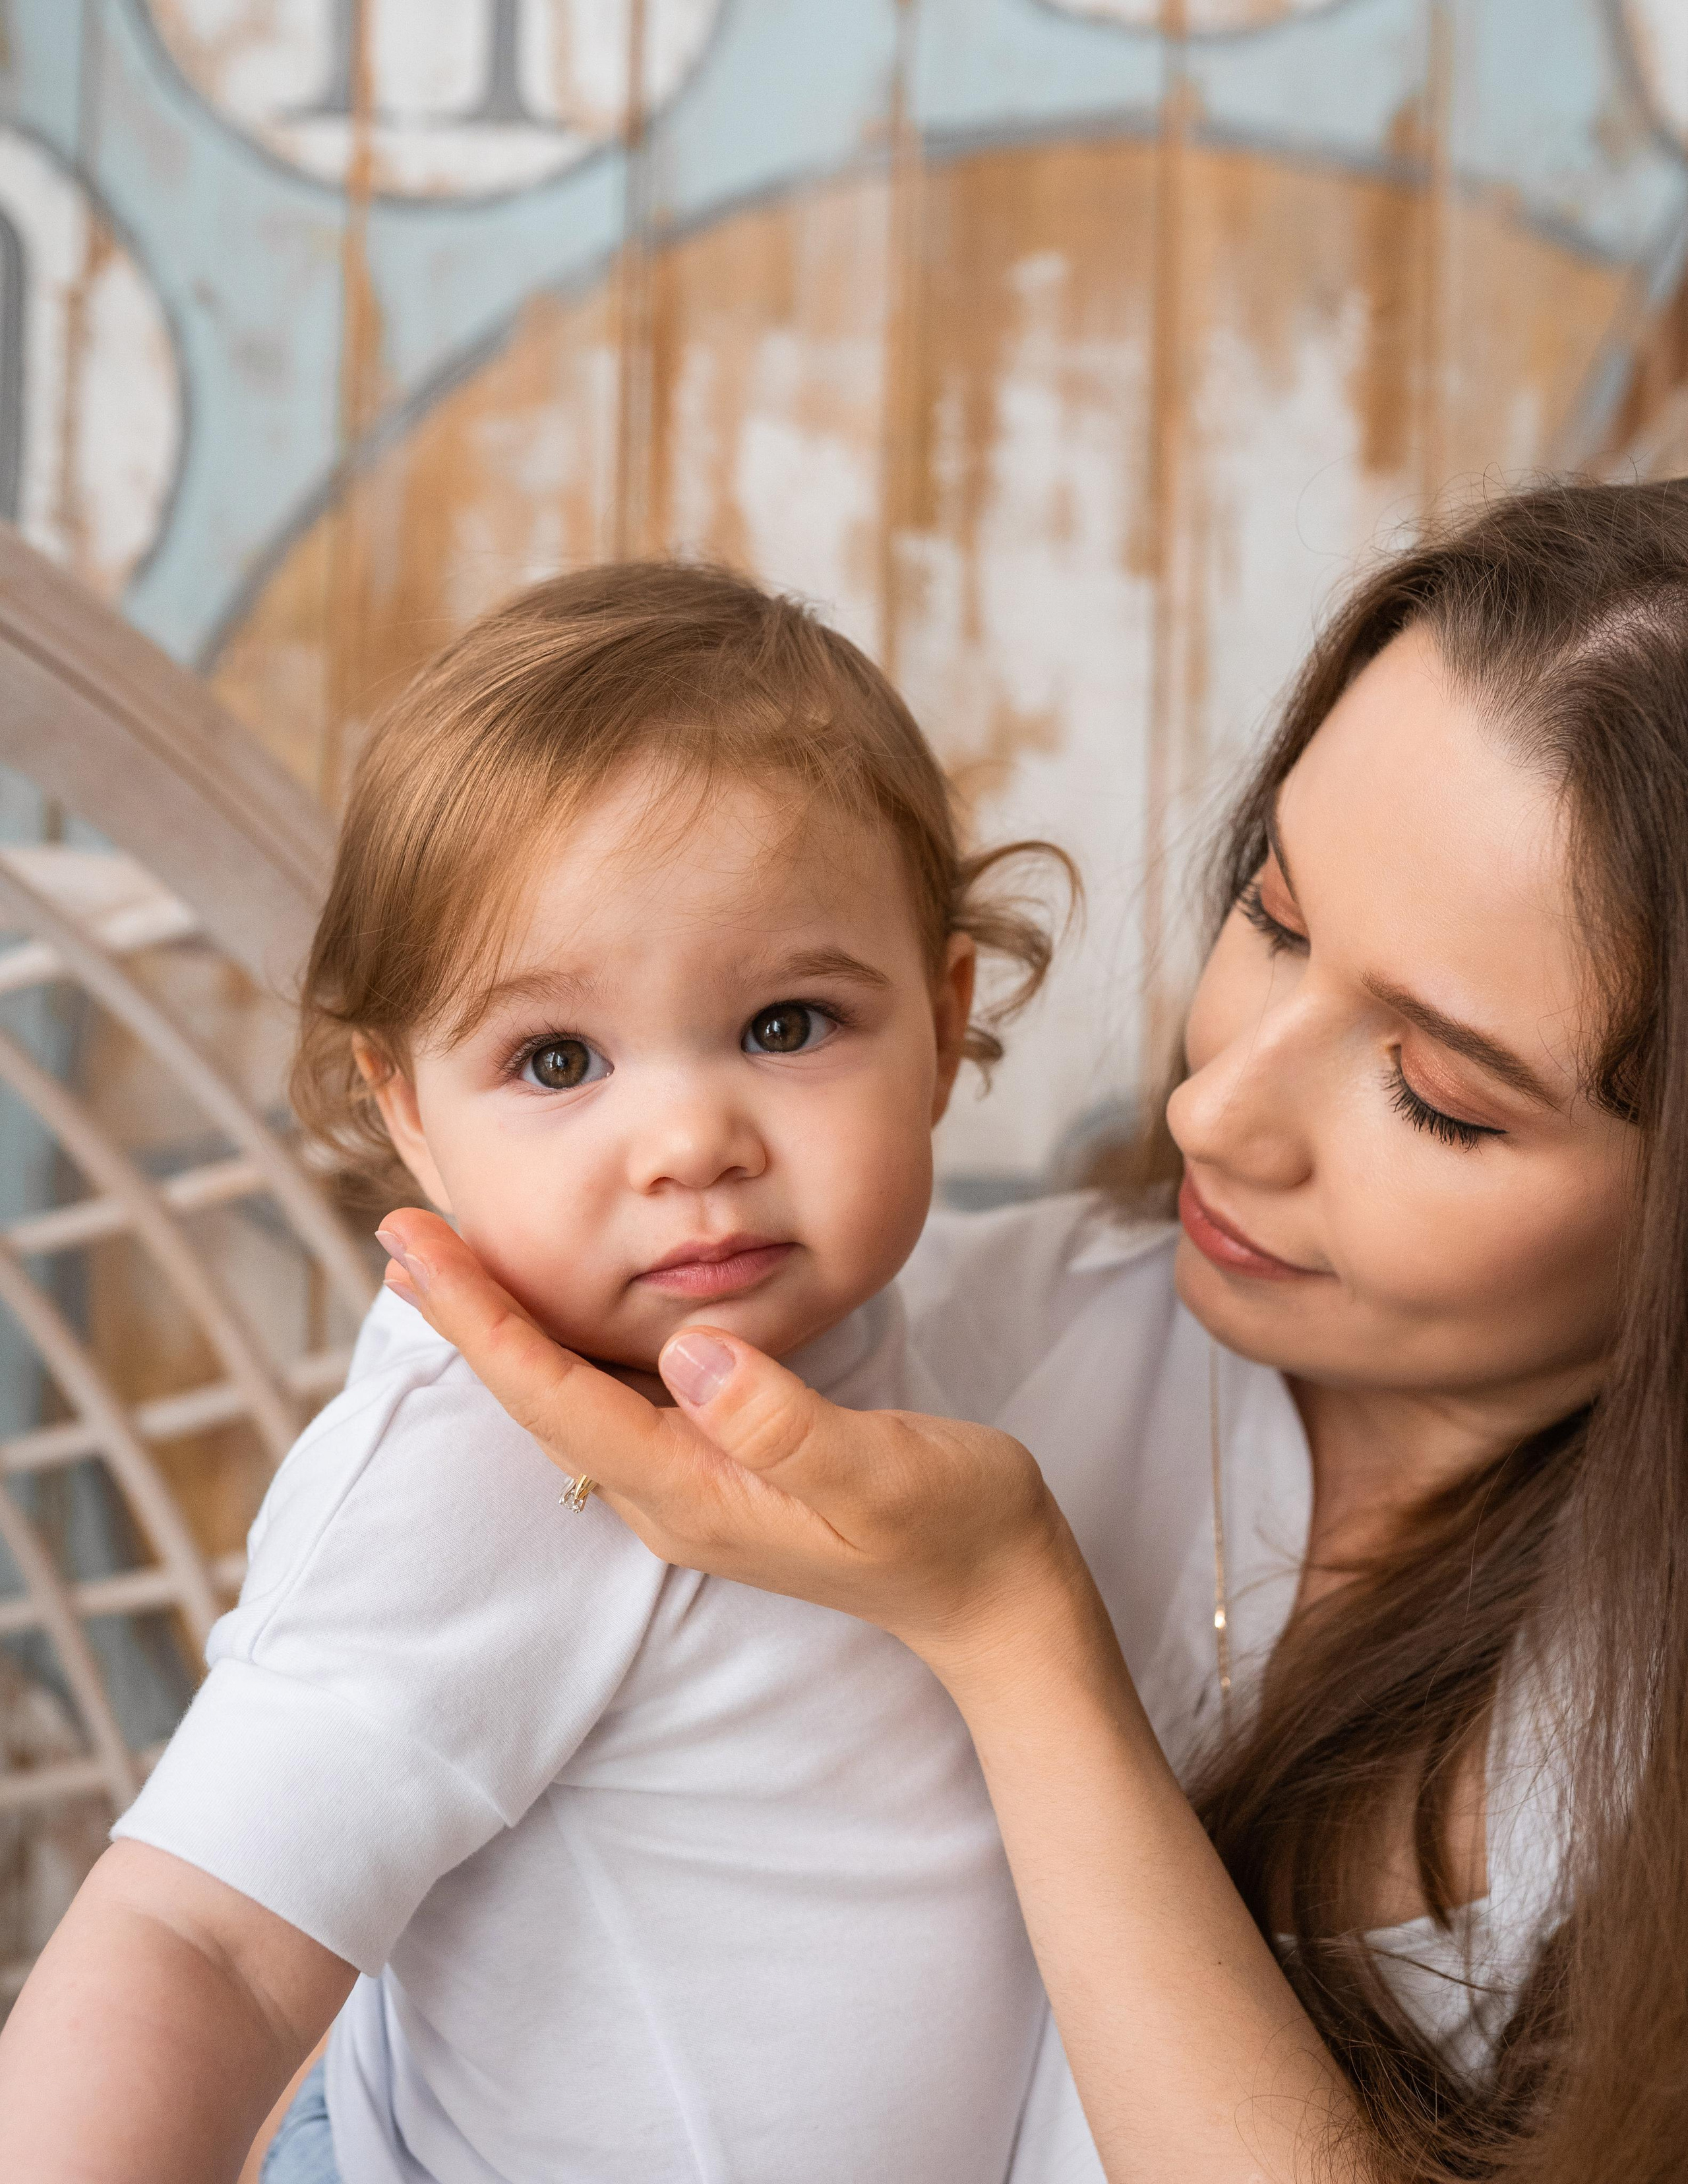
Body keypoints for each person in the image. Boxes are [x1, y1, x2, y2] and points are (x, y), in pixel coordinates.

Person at [365, 481, 1688, 2182]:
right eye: (1270, 917)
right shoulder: (877, 1344)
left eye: (1433, 1096)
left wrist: (1010, 1628)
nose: (1212, 1111)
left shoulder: (1616, 1722)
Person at [0, 563, 1089, 2183]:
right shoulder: (476, 1462)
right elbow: (197, 1942)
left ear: (941, 1022)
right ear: (411, 1111)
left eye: (787, 1025)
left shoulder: (917, 1337)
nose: (691, 1142)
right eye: (557, 1061)